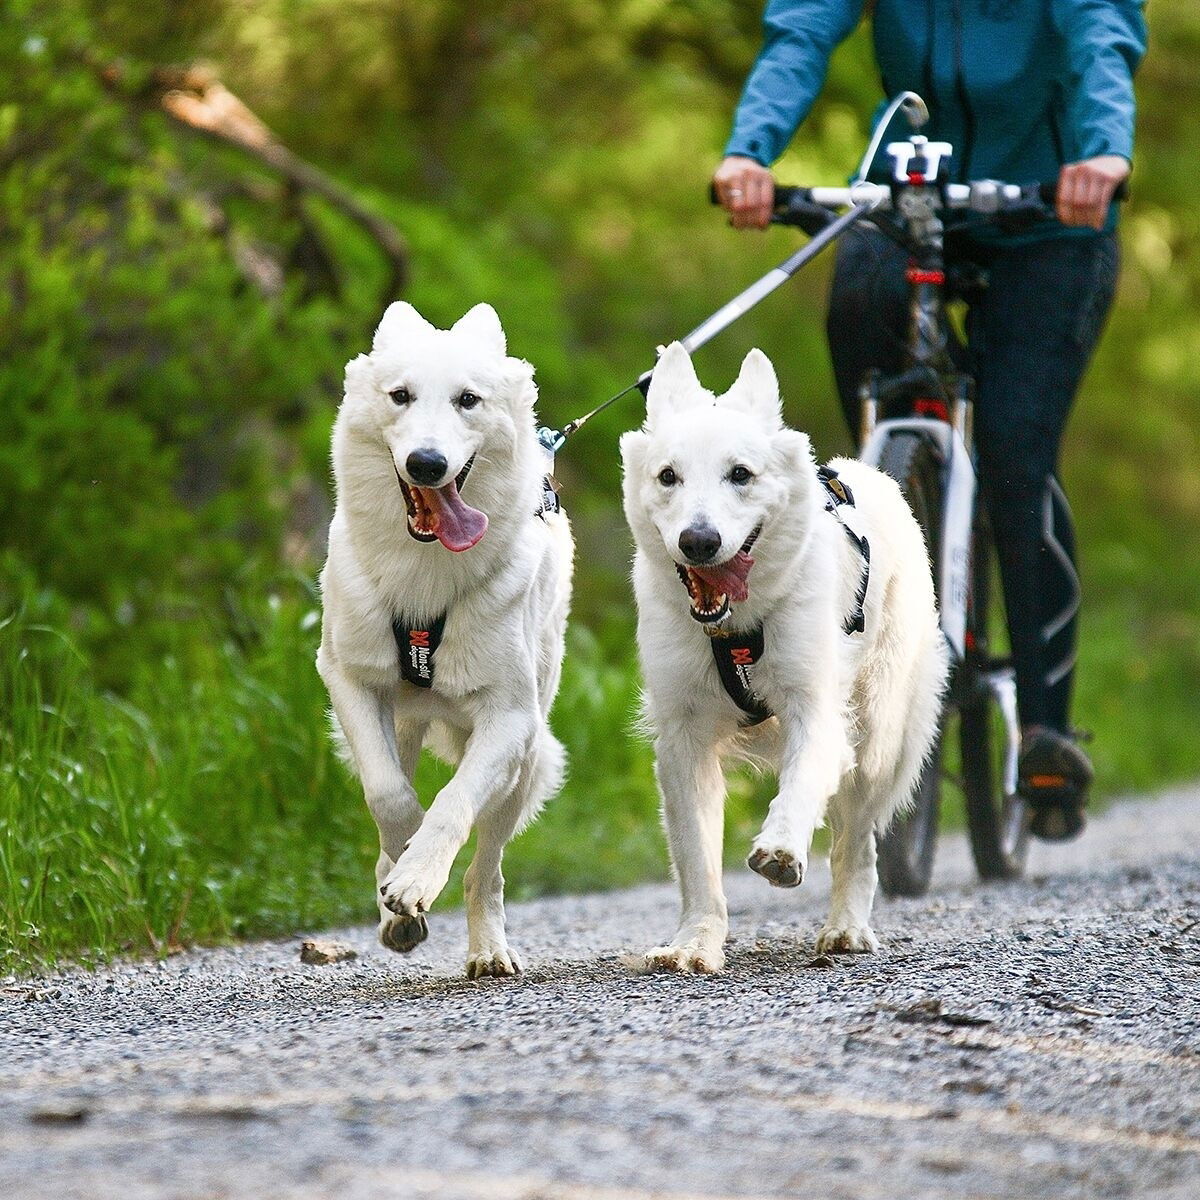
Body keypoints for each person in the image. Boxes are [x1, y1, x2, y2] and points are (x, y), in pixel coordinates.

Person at [713, 0, 1147, 841]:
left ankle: (1045, 733)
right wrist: (749, 151)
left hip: (1053, 209)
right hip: (906, 196)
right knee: (862, 343)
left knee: (1019, 452)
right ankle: (902, 492)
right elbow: (801, 30)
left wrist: (1104, 151)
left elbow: (1101, 34)